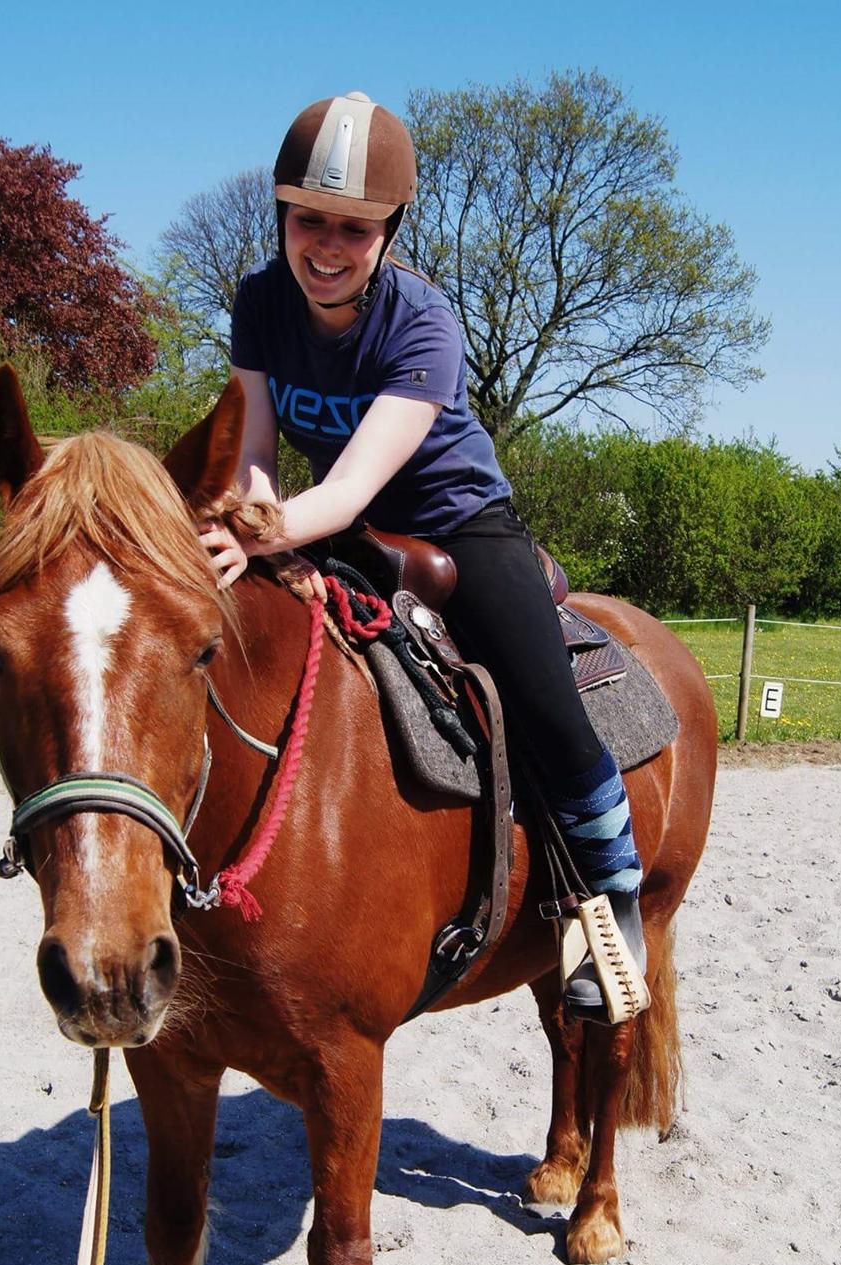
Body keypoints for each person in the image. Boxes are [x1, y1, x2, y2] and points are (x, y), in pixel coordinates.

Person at [198, 90, 644, 1016]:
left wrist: (267, 528)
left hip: (456, 522)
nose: (326, 245)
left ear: (389, 232)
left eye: (353, 229)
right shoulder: (259, 304)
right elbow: (255, 452)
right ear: (282, 216)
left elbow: (355, 485)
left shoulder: (424, 324)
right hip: (337, 526)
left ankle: (615, 891)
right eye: (308, 220)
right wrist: (238, 522)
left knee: (547, 702)